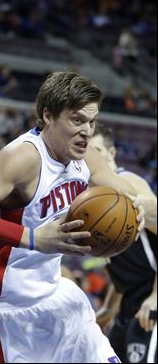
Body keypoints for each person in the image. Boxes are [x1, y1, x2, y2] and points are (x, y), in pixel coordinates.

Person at [0, 71, 145, 363]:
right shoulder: (24, 159)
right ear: (48, 115)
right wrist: (33, 238)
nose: (87, 131)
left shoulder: (85, 155)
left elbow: (125, 192)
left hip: (57, 294)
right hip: (9, 305)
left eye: (92, 122)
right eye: (77, 120)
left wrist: (136, 208)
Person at [90, 123, 157, 363]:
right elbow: (121, 263)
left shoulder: (126, 181)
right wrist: (108, 309)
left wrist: (155, 297)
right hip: (130, 300)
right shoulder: (92, 197)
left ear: (112, 153)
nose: (91, 156)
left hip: (150, 295)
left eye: (96, 150)